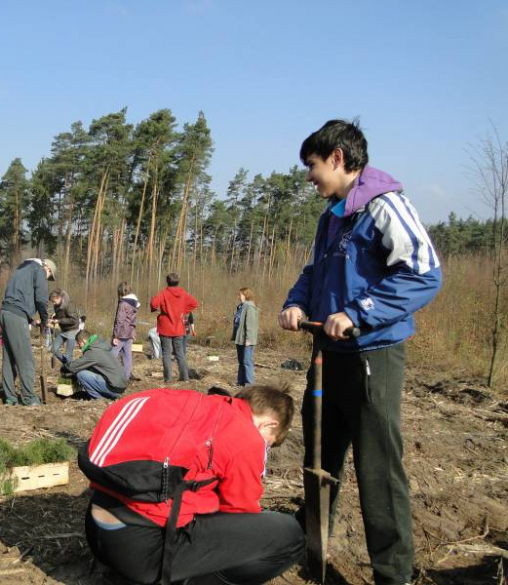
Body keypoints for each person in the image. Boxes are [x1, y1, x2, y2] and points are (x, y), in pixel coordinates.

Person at [278, 119, 443, 585]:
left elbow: (423, 274)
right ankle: (313, 548)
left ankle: (393, 575)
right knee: (319, 456)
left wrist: (359, 312)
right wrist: (295, 302)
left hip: (373, 356)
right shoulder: (331, 216)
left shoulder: (386, 207)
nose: (309, 176)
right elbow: (315, 273)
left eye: (312, 166)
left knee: (378, 469)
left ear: (337, 158)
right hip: (326, 357)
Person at [79, 385, 304, 585]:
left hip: (98, 528)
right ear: (270, 424)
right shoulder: (245, 435)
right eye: (269, 443)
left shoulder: (194, 404)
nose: (263, 450)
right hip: (143, 554)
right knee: (290, 536)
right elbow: (241, 511)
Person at [0, 258, 56, 406]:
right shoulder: (39, 270)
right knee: (26, 360)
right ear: (47, 269)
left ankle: (10, 397)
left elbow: (16, 298)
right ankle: (29, 398)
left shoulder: (20, 271)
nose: (47, 279)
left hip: (5, 313)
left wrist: (30, 320)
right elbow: (41, 298)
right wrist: (44, 320)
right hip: (16, 316)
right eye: (49, 277)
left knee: (9, 359)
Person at [150, 273, 198, 383]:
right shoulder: (183, 293)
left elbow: (153, 304)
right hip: (178, 328)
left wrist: (157, 302)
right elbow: (194, 303)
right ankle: (184, 377)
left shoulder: (163, 293)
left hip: (165, 328)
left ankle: (168, 378)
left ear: (167, 282)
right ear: (178, 282)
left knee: (166, 353)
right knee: (180, 353)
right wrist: (182, 311)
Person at [61, 330, 127, 400]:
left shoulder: (93, 351)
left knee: (81, 374)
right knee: (87, 370)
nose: (79, 346)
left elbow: (76, 365)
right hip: (120, 385)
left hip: (114, 388)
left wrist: (65, 367)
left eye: (79, 343)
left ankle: (98, 398)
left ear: (83, 341)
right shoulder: (100, 347)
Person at [111, 281, 140, 381]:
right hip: (129, 333)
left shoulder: (123, 304)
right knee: (127, 356)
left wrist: (115, 336)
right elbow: (133, 320)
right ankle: (126, 376)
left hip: (121, 333)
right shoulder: (134, 303)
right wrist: (133, 332)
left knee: (112, 355)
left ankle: (109, 374)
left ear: (121, 291)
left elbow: (119, 321)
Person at [232, 288, 258, 386]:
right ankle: (241, 381)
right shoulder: (241, 307)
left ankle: (249, 384)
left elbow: (251, 324)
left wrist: (248, 339)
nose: (238, 296)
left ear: (245, 295)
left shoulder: (250, 307)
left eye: (240, 295)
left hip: (247, 340)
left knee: (247, 361)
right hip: (240, 339)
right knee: (241, 361)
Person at [49, 289, 79, 365]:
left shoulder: (69, 305)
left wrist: (59, 321)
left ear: (59, 298)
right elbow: (59, 315)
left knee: (68, 355)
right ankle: (67, 364)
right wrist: (53, 319)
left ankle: (71, 371)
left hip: (72, 331)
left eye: (54, 301)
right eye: (52, 301)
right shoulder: (56, 306)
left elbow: (73, 320)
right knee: (54, 349)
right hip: (63, 330)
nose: (53, 303)